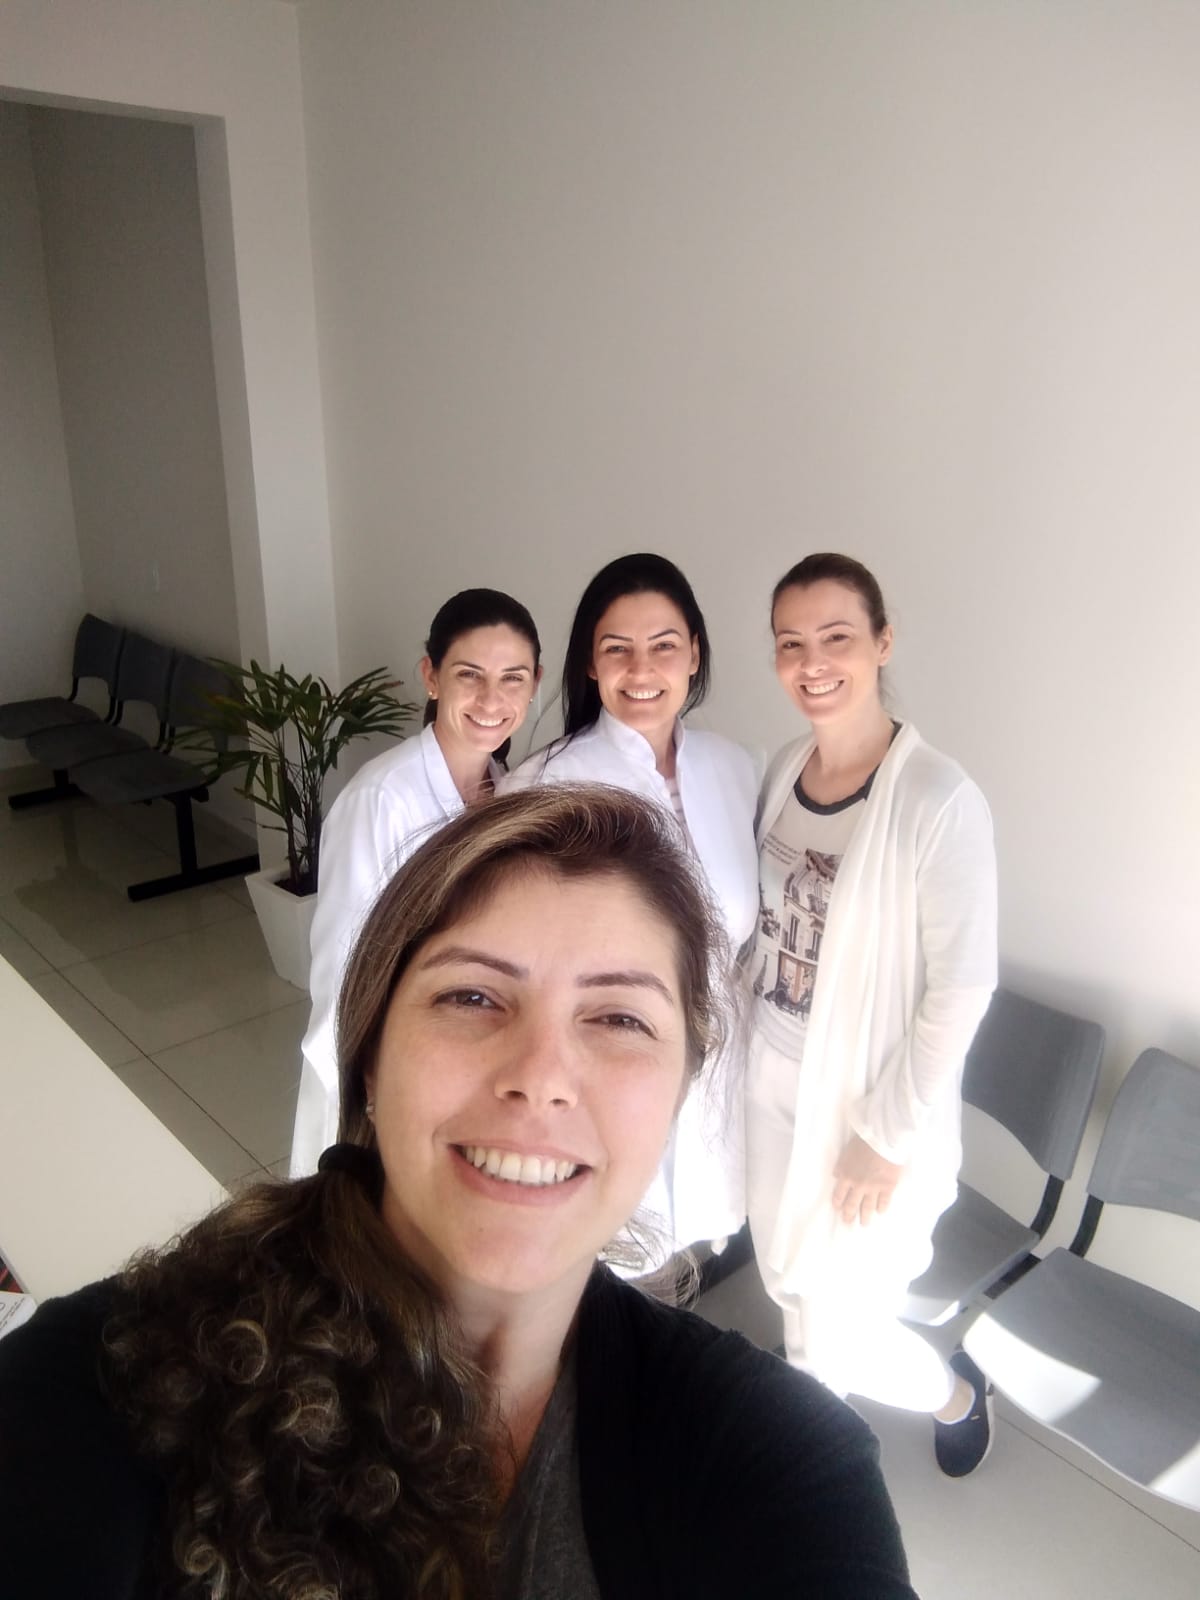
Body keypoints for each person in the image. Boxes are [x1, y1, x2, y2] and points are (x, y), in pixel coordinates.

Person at [0, 787, 916, 1599]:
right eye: (473, 997)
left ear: (679, 1090)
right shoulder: (116, 1379)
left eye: (618, 1017)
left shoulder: (780, 1458)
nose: (541, 1077)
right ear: (370, 1058)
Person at [746, 553, 999, 1478]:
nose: (812, 663)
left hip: (868, 1115)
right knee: (791, 1284)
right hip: (770, 1086)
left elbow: (962, 988)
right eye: (791, 644)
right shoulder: (784, 770)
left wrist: (886, 1137)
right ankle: (937, 1390)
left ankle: (918, 1417)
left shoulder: (938, 799)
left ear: (882, 642)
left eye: (837, 637)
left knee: (836, 1329)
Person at [501, 553, 758, 1255]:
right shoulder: (549, 784)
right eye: (617, 649)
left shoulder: (735, 768)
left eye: (664, 646)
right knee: (604, 1248)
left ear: (694, 655)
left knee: (691, 1237)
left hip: (717, 1063)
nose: (641, 670)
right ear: (591, 663)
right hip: (598, 1060)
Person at [292, 587, 542, 1176]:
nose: (491, 699)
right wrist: (372, 1095)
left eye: (512, 678)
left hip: (473, 1050)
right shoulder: (382, 799)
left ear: (534, 684)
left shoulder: (513, 790)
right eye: (469, 675)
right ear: (431, 677)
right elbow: (343, 969)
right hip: (391, 1069)